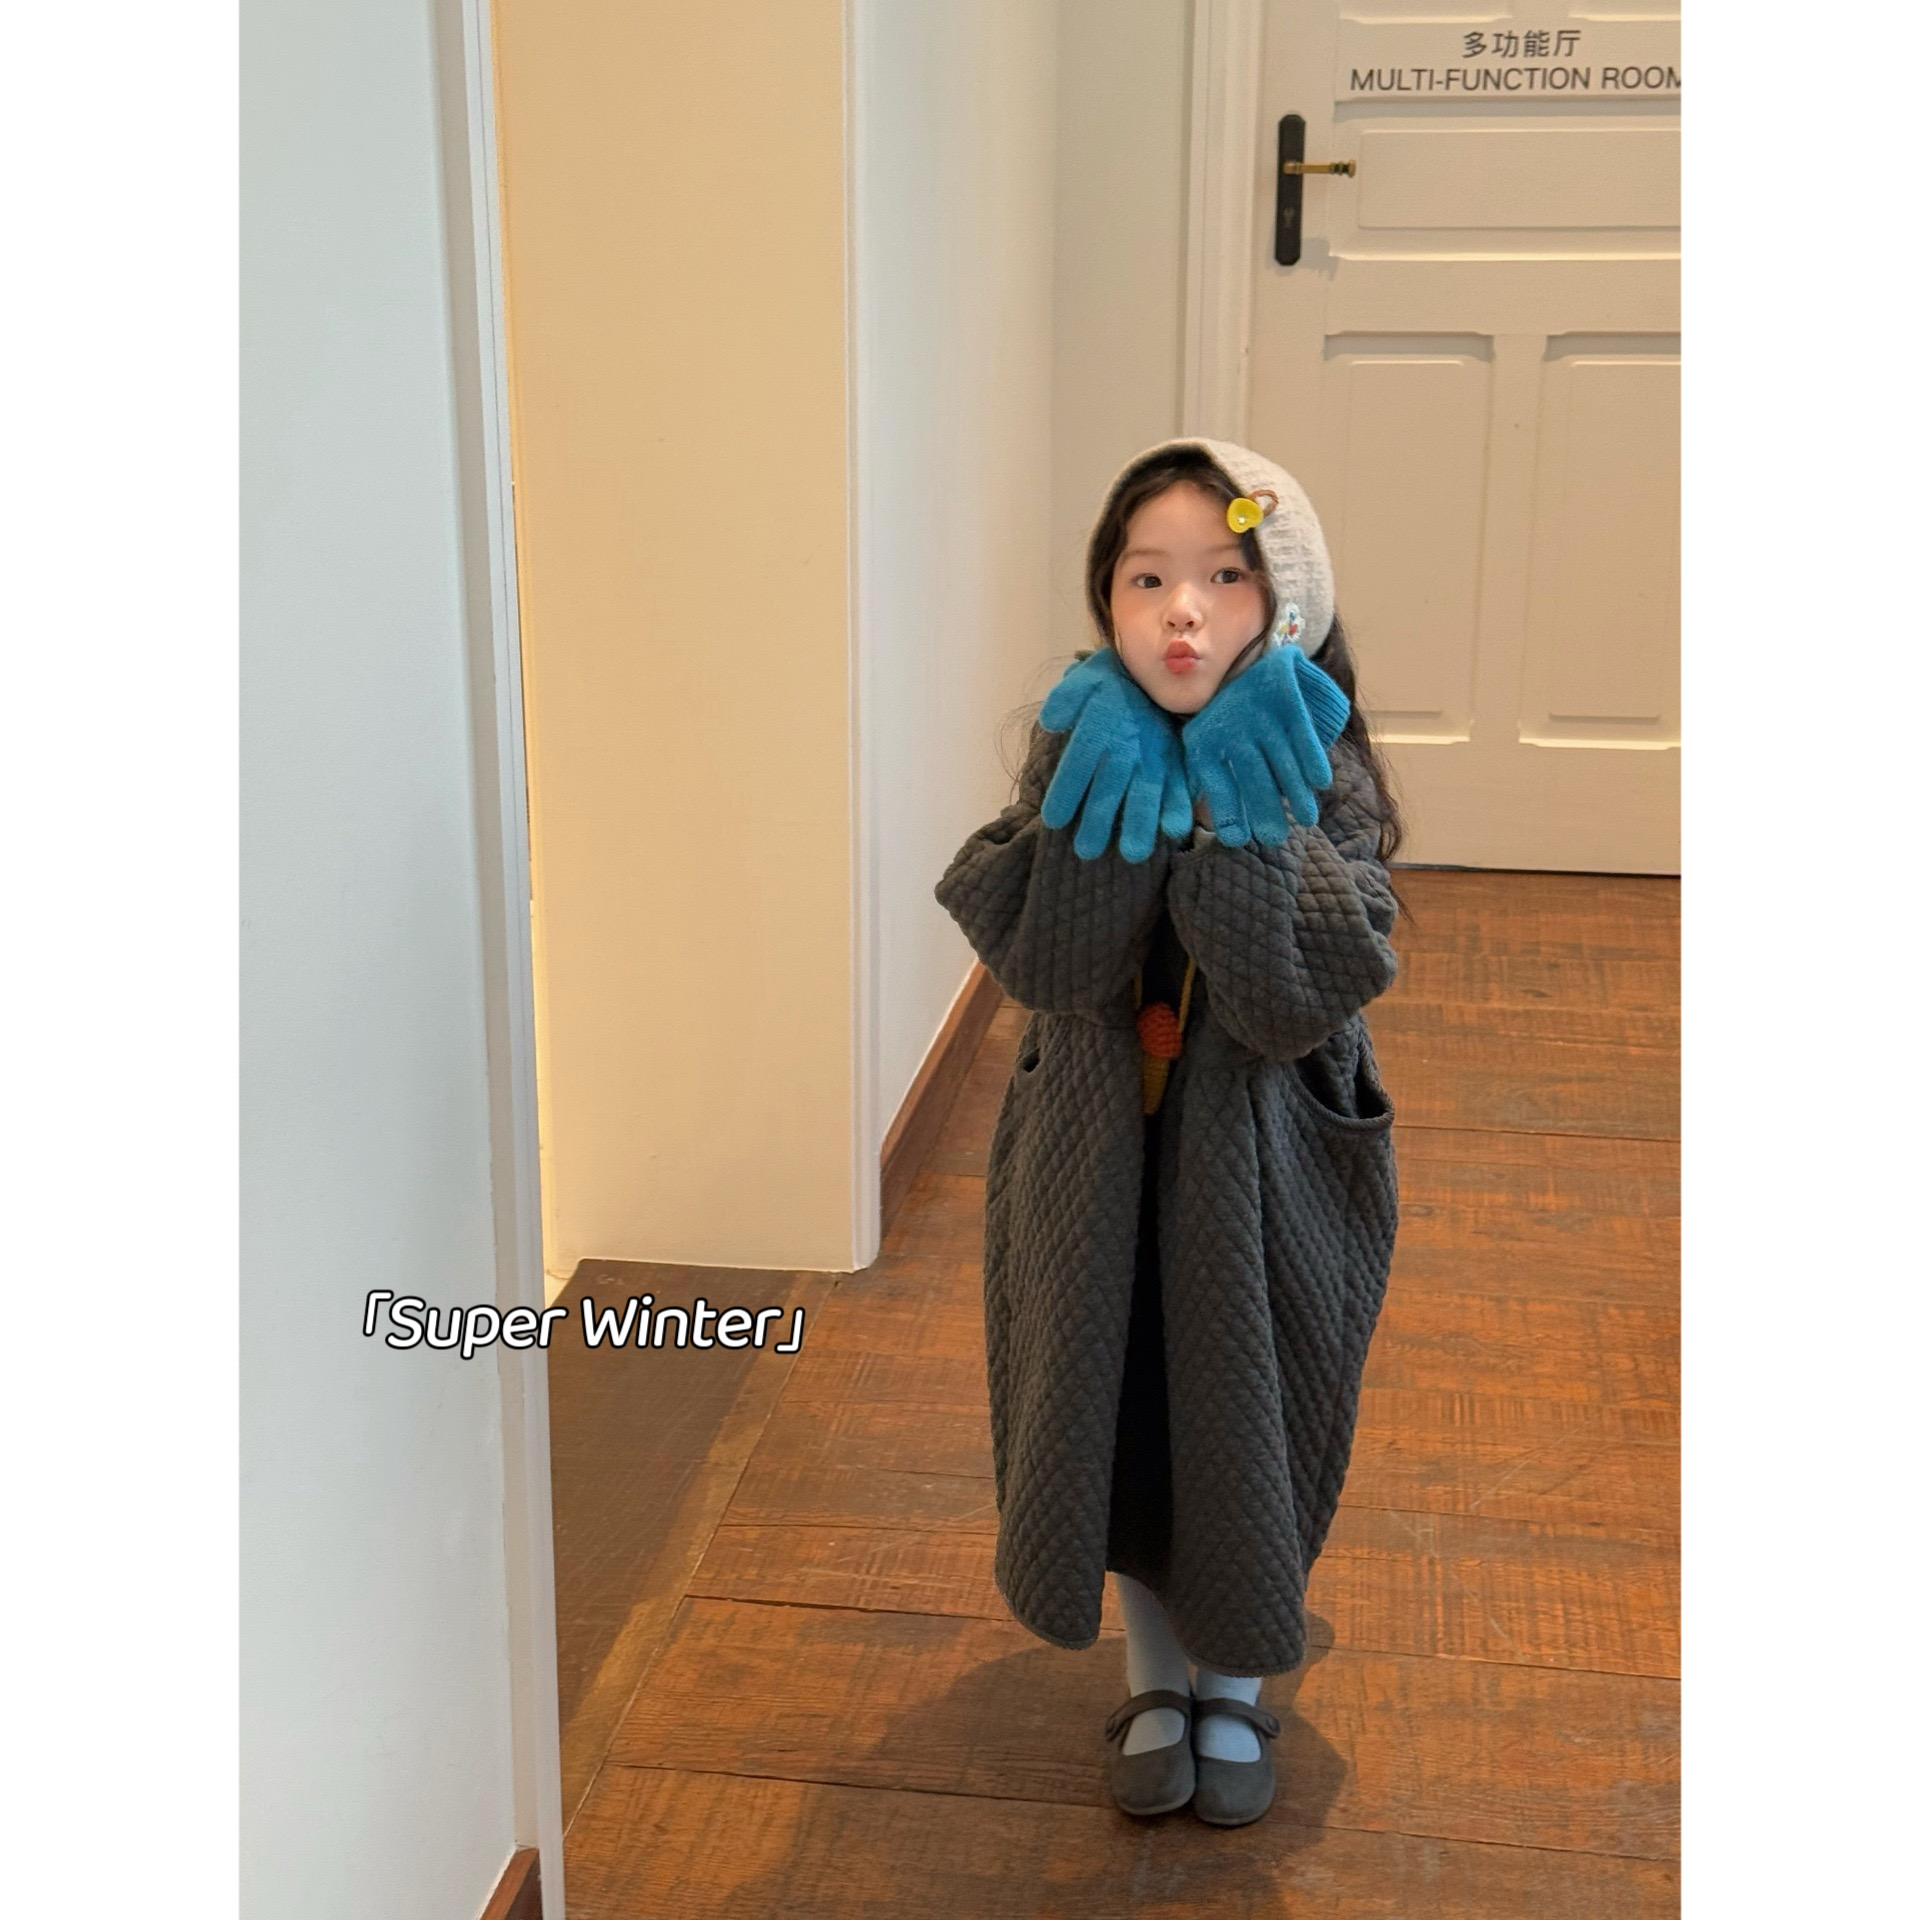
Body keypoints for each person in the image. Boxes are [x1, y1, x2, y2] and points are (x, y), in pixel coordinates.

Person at [932, 436, 1407, 1827]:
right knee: (1121, 1403)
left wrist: (1228, 814)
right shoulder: (1078, 744)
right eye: (1147, 578)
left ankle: (1236, 1682)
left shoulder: (1317, 759)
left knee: (1252, 1407)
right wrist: (1118, 800)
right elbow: (1053, 966)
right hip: (1094, 1168)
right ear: (1107, 597)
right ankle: (1153, 1676)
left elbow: (1293, 990)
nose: (1181, 611)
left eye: (1224, 577)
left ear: (1285, 607)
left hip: (1269, 1175)